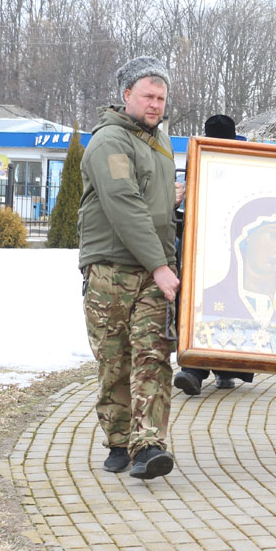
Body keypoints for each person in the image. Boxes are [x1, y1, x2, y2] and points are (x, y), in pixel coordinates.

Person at [79, 56, 180, 480]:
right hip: (112, 271)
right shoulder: (109, 142)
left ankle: (149, 445)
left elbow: (153, 206)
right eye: (147, 96)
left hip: (154, 274)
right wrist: (159, 264)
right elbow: (124, 203)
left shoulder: (159, 143)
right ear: (126, 96)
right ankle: (119, 440)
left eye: (161, 97)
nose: (155, 104)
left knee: (153, 357)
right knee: (115, 361)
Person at [173, 114, 258, 396]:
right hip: (207, 245)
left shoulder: (207, 156)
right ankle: (197, 369)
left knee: (218, 303)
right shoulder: (205, 158)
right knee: (205, 305)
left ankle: (217, 368)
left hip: (225, 246)